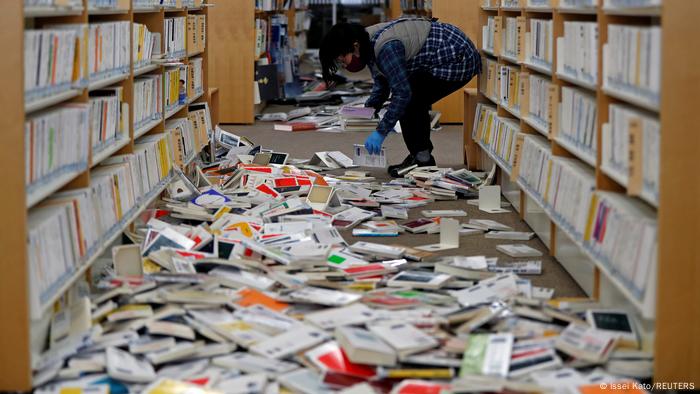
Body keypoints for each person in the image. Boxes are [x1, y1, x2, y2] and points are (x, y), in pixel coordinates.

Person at [320, 18, 481, 177]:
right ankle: (419, 155)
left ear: (354, 46)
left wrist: (381, 132)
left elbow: (402, 93)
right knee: (409, 97)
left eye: (343, 59)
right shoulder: (366, 44)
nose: (344, 65)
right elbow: (382, 78)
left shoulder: (385, 48)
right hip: (442, 55)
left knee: (411, 101)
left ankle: (423, 159)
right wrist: (371, 108)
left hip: (458, 59)